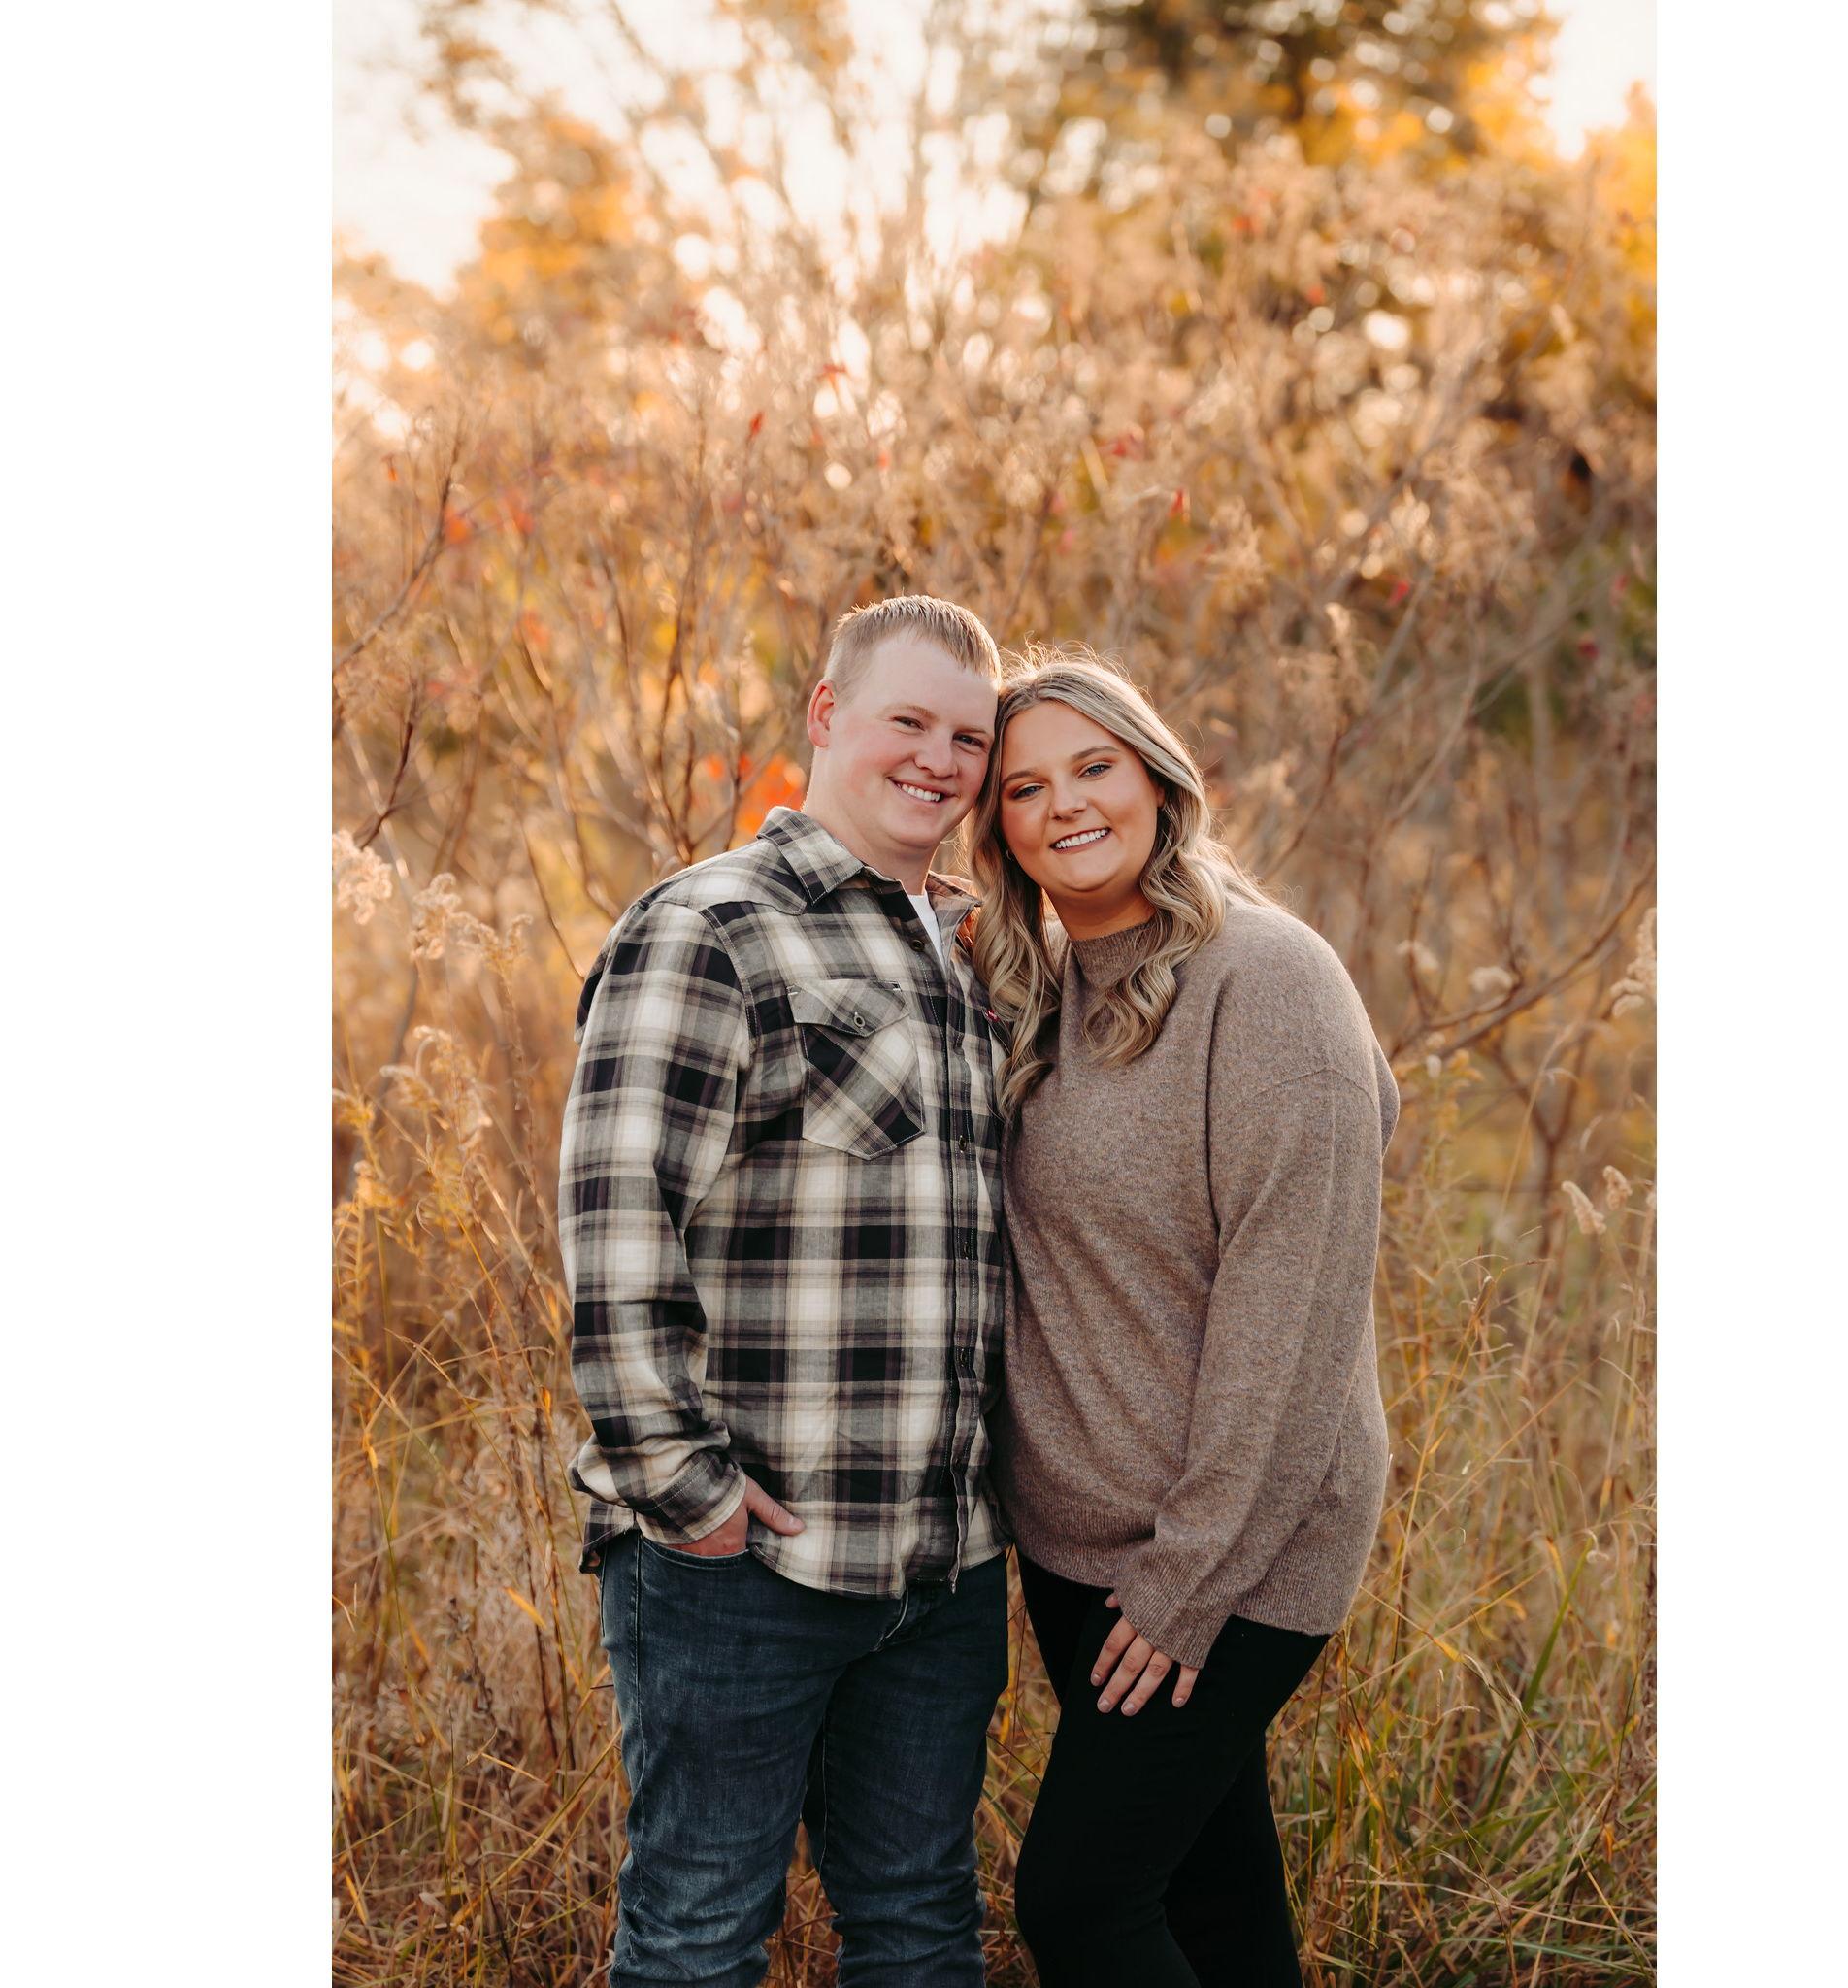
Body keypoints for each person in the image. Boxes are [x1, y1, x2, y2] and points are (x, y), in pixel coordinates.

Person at [557, 596, 1012, 1988]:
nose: (939, 760)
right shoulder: (712, 926)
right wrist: (683, 1491)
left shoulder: (969, 952)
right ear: (825, 715)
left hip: (940, 1562)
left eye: (969, 739)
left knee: (922, 1927)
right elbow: (617, 1217)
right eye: (907, 722)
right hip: (746, 1559)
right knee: (700, 1937)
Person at [966, 648, 1401, 1988]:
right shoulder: (1039, 988)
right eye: (1025, 787)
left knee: (1082, 1901)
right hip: (1078, 1541)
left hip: (1234, 1547)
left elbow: (1295, 1310)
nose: (1065, 805)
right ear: (999, 826)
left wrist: (1190, 1578)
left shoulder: (1268, 980)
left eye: (1094, 766)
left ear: (1157, 780)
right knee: (1213, 1902)